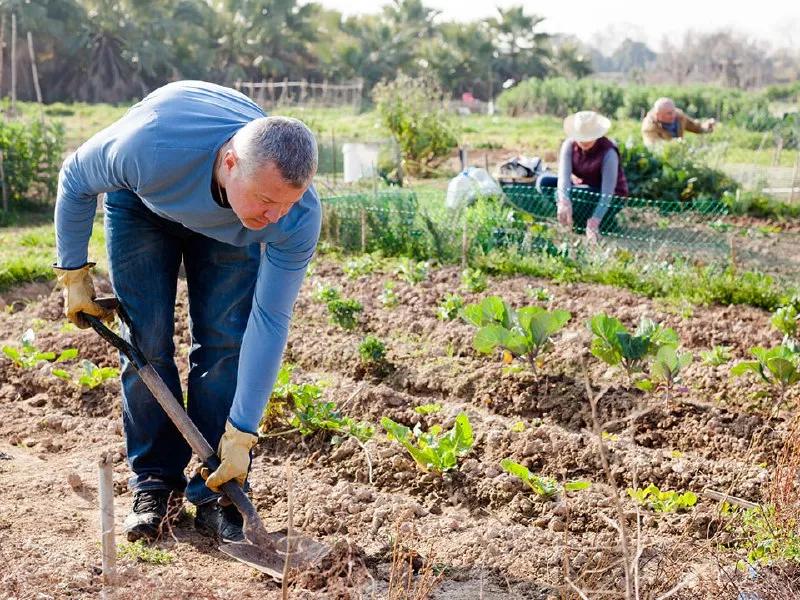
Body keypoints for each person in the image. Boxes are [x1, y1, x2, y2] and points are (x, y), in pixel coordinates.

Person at [53, 81, 321, 543]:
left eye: (288, 203)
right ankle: (155, 482)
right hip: (145, 202)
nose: (276, 215)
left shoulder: (292, 218)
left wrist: (242, 433)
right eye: (267, 199)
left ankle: (216, 491)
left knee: (223, 343)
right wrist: (74, 272)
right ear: (231, 162)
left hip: (229, 229)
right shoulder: (150, 145)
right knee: (147, 342)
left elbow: (271, 320)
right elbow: (76, 176)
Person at [536, 110, 628, 243]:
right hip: (582, 188)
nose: (584, 141)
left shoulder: (609, 152)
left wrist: (595, 221)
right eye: (581, 137)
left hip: (609, 196)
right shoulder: (569, 145)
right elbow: (563, 178)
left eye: (589, 137)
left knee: (577, 193)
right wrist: (563, 202)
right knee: (544, 182)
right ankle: (576, 217)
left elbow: (608, 193)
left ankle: (598, 219)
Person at [641, 97, 716, 147]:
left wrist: (707, 126)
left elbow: (695, 127)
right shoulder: (649, 127)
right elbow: (654, 146)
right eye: (669, 113)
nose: (673, 115)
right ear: (658, 115)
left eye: (673, 111)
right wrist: (676, 143)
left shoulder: (679, 116)